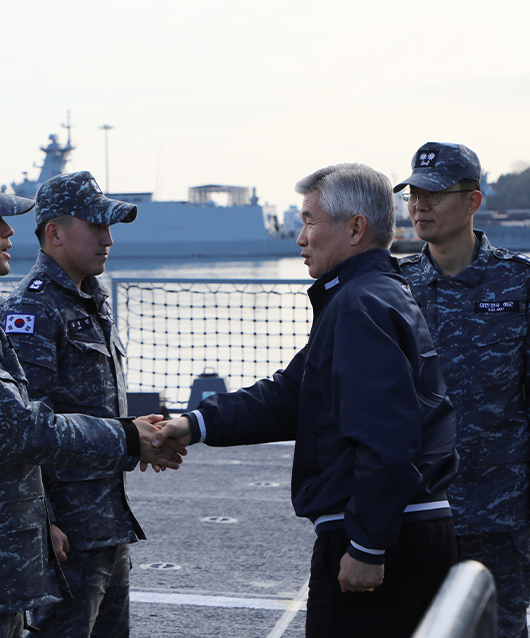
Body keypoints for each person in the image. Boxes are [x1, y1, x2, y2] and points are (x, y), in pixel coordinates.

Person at [153, 163, 459, 638]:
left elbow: (388, 435)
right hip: (410, 525)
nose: (300, 237)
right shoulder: (374, 294)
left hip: (381, 533)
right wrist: (194, 424)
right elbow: (294, 393)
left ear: (355, 228)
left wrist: (368, 545)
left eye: (310, 221)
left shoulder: (358, 305)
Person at [0, 159, 183, 638]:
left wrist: (129, 434)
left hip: (1, 547)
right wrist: (127, 436)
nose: (9, 230)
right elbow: (21, 428)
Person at [0, 170, 142, 637]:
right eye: (96, 226)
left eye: (109, 228)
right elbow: (26, 425)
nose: (108, 240)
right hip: (68, 537)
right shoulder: (31, 311)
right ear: (54, 233)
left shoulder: (88, 300)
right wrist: (45, 521)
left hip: (106, 524)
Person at [396, 142, 530, 638]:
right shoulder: (394, 287)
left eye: (433, 194)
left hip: (499, 511)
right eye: (412, 194)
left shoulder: (519, 285)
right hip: (413, 510)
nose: (418, 206)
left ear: (472, 202)